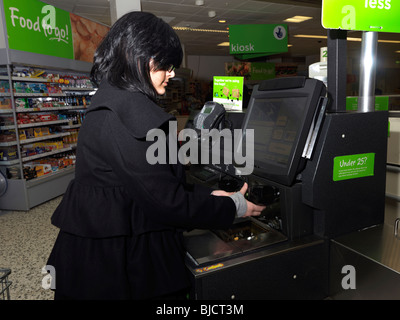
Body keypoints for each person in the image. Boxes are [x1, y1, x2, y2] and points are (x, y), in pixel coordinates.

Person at [46, 11, 265, 300]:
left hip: (96, 253)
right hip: (121, 264)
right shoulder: (132, 116)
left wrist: (209, 196)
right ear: (143, 58)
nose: (172, 73)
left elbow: (145, 187)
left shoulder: (109, 101)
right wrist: (233, 207)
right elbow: (167, 203)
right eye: (167, 65)